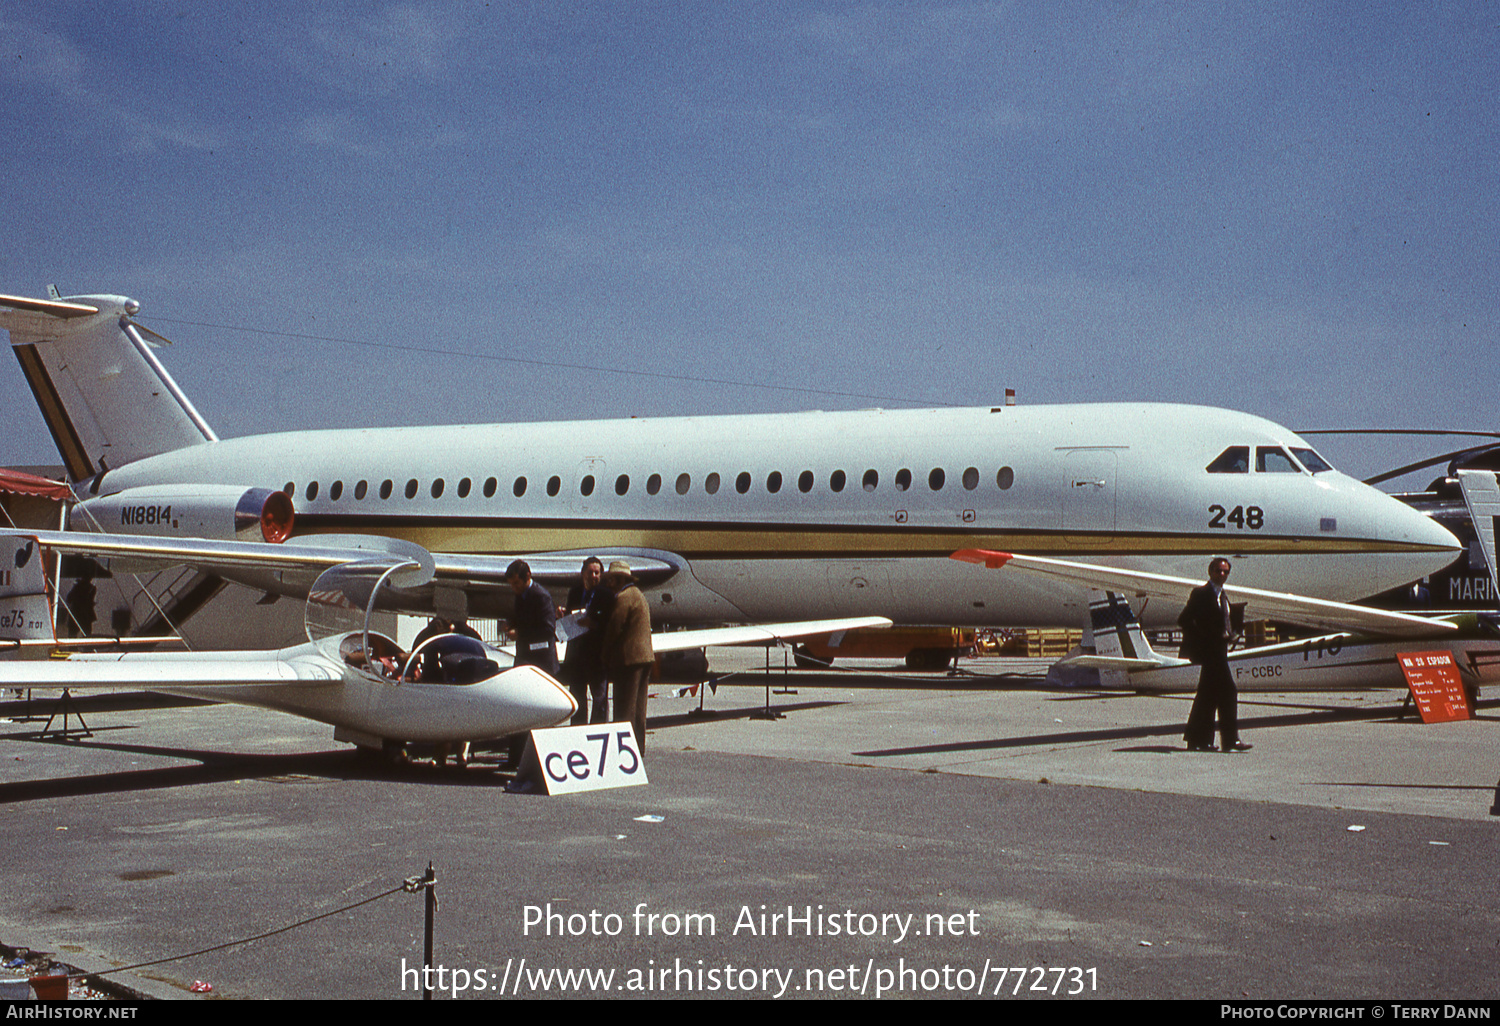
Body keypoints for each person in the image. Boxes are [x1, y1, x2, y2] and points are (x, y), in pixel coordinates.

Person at [1180, 557, 1251, 753]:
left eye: (1225, 572)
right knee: (1229, 691)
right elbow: (1184, 619)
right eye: (1219, 571)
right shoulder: (1201, 593)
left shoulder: (1222, 595)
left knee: (1207, 695)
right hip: (1211, 652)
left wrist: (1233, 631)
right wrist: (1203, 640)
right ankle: (1230, 741)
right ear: (1210, 572)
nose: (1222, 575)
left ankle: (1198, 740)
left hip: (1220, 650)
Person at [602, 560, 653, 753]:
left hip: (629, 659)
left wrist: (604, 654)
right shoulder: (638, 595)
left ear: (619, 579)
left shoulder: (623, 597)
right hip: (644, 657)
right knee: (639, 709)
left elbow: (614, 628)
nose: (608, 583)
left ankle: (623, 753)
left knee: (624, 708)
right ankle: (637, 750)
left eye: (611, 579)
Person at [560, 556, 610, 725]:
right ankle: (578, 730)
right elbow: (570, 616)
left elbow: (610, 623)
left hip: (597, 657)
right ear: (583, 574)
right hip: (577, 656)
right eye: (590, 572)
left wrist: (593, 624)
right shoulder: (574, 592)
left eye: (597, 573)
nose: (594, 576)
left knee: (599, 699)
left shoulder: (606, 594)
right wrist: (563, 615)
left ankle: (598, 730)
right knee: (577, 697)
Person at [504, 559, 559, 676]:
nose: (513, 588)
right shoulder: (520, 594)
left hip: (541, 660)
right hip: (525, 657)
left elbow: (548, 629)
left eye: (516, 583)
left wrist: (519, 633)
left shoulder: (541, 596)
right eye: (511, 584)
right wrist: (511, 625)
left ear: (527, 576)